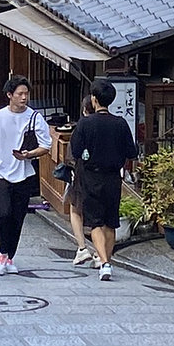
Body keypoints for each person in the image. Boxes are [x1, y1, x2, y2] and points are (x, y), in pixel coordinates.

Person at [0, 75, 52, 276]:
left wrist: (30, 154)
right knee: (4, 213)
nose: (24, 97)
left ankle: (10, 256)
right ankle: (2, 253)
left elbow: (46, 146)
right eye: (20, 94)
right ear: (10, 95)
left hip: (25, 173)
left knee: (18, 216)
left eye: (26, 94)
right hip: (1, 172)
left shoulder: (34, 117)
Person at [67, 79, 137, 282]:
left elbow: (77, 151)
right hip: (114, 176)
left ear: (94, 100)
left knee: (95, 221)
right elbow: (131, 151)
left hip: (91, 176)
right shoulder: (120, 123)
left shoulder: (85, 123)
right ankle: (107, 260)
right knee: (110, 221)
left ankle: (104, 262)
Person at [65, 96, 97, 268]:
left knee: (76, 210)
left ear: (85, 110)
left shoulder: (81, 127)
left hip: (81, 175)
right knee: (99, 216)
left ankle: (83, 247)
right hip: (104, 176)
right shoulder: (109, 124)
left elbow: (72, 154)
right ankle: (100, 254)